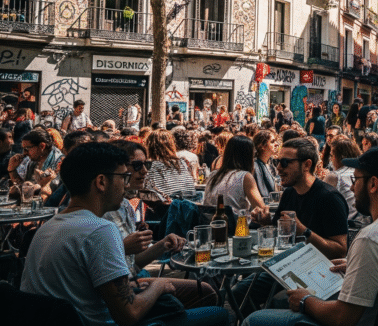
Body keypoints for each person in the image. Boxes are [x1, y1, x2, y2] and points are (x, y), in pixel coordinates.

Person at [22, 142, 228, 326]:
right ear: (101, 182)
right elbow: (129, 315)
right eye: (124, 177)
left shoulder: (49, 226)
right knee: (219, 314)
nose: (126, 184)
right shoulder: (100, 230)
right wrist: (158, 285)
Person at [242, 146, 378, 326]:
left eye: (355, 180)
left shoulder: (372, 237)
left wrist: (305, 300)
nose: (351, 189)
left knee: (253, 319)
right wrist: (355, 265)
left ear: (373, 184)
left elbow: (343, 317)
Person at [104, 140, 218, 308]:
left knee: (208, 291)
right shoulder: (100, 214)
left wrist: (163, 245)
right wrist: (156, 287)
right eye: (136, 165)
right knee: (210, 300)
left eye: (146, 164)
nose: (144, 171)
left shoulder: (125, 206)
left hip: (132, 280)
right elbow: (124, 309)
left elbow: (132, 264)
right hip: (121, 291)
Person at [203, 135, 268, 215]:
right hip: (238, 226)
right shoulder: (245, 177)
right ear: (248, 156)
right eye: (253, 154)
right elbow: (261, 210)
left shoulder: (213, 175)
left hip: (213, 224)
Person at [325, 137, 364, 223]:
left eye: (331, 155)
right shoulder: (361, 172)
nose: (330, 159)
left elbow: (322, 205)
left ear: (340, 157)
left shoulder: (335, 176)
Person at [146, 129, 195, 197]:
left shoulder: (153, 166)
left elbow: (151, 192)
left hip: (167, 205)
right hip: (187, 203)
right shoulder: (182, 163)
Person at [253, 129, 280, 197]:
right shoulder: (256, 167)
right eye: (272, 142)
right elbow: (263, 193)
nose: (276, 144)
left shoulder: (270, 165)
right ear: (262, 146)